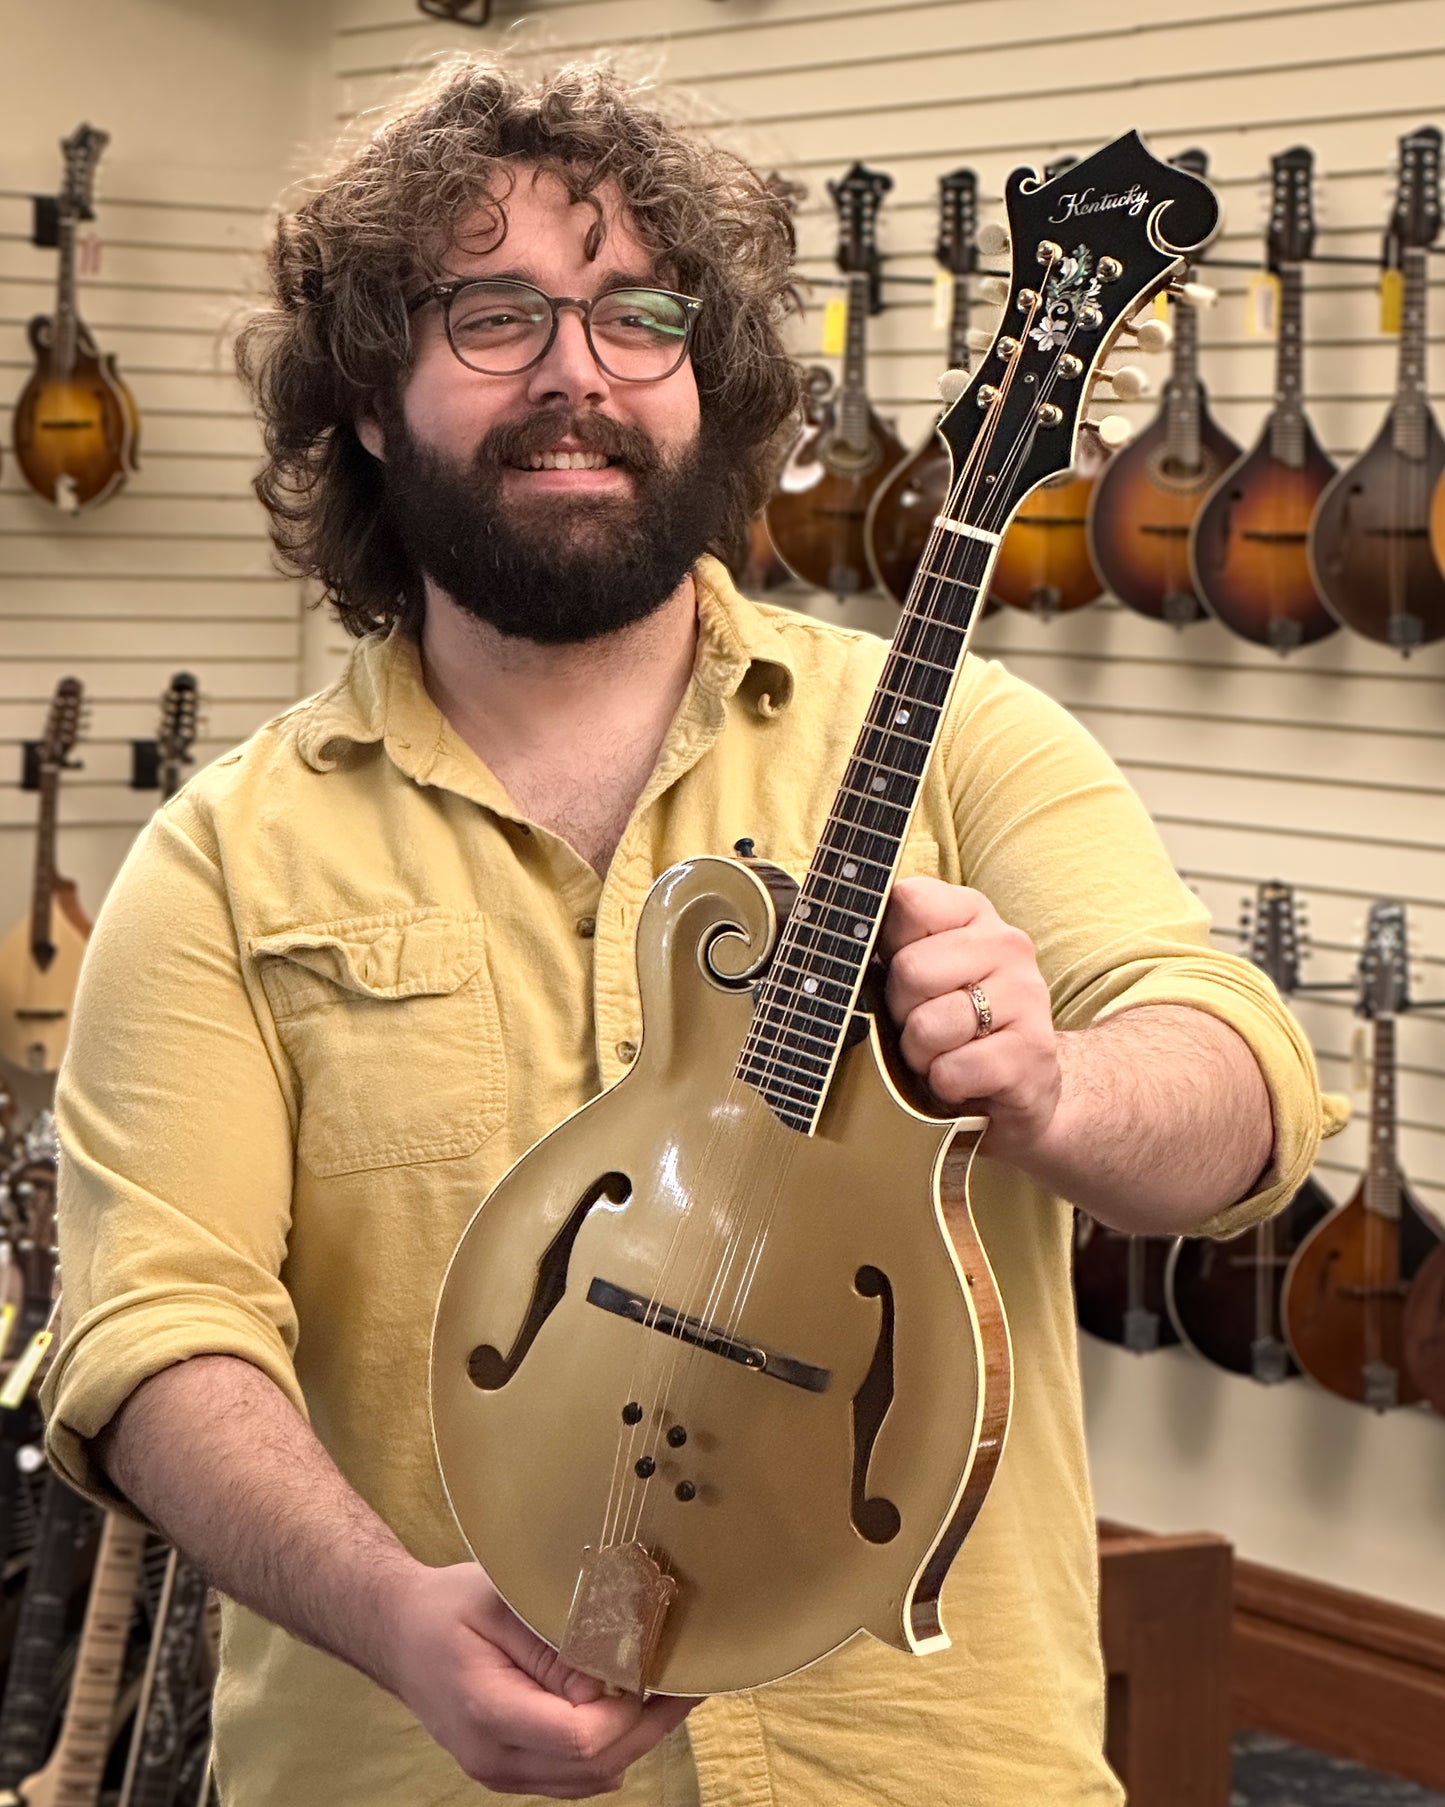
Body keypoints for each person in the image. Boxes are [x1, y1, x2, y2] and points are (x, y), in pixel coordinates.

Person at [42, 57, 1338, 1807]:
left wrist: (1055, 1086)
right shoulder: (219, 860)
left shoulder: (964, 739)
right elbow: (152, 1332)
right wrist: (390, 1617)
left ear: (706, 378)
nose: (575, 373)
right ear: (366, 397)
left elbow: (1239, 1093)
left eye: (637, 314)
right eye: (493, 314)